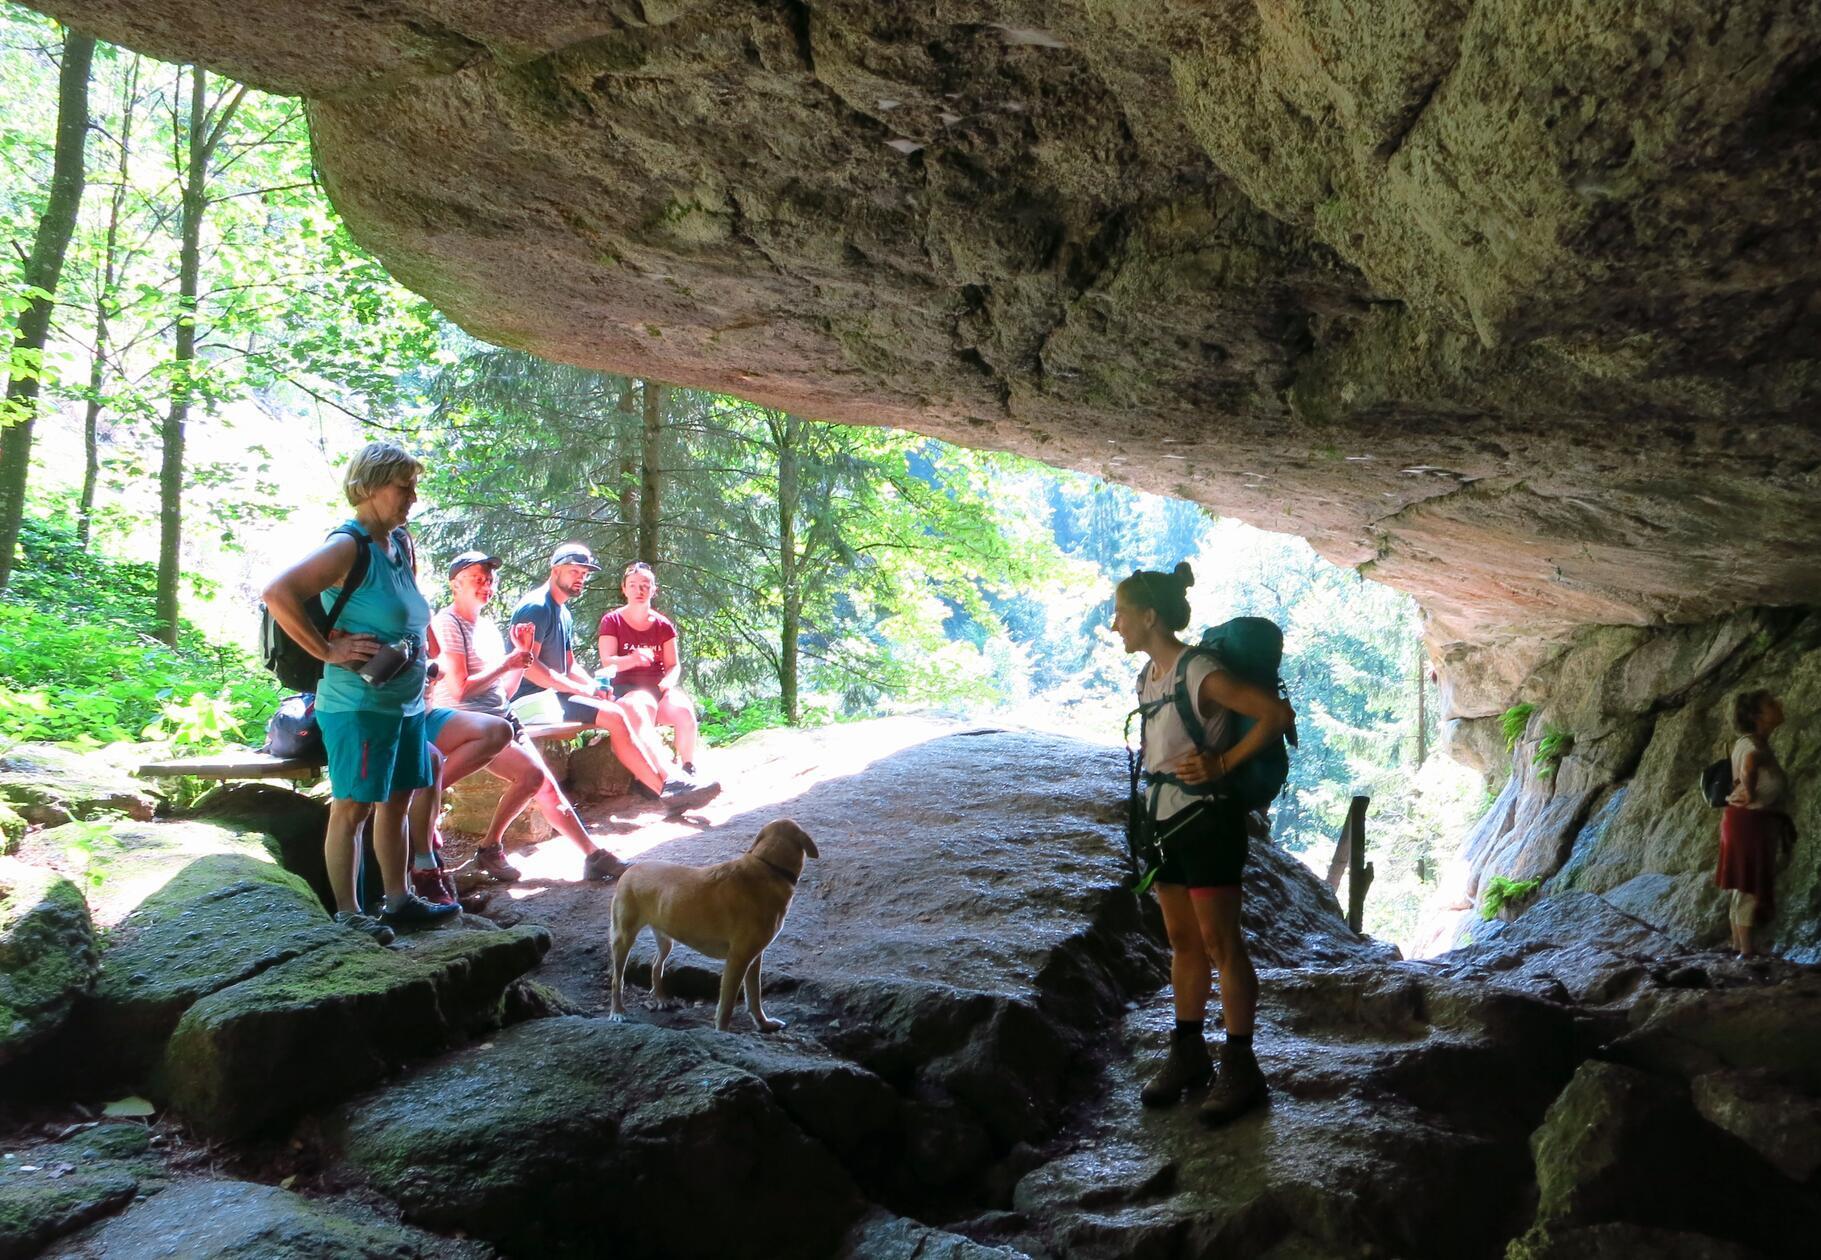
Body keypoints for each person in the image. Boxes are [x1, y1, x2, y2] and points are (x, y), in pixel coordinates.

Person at [1114, 562, 1292, 1125]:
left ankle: (1241, 1066)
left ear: (1149, 616)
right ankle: (1189, 1053)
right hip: (1165, 825)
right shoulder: (1149, 677)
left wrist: (1222, 762)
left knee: (1221, 944)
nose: (1115, 625)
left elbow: (1274, 715)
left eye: (1120, 614)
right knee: (1183, 943)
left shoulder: (1199, 671)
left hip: (1208, 823)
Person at [262, 441, 460, 941]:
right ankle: (349, 915)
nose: (412, 496)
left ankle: (398, 901)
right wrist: (326, 651)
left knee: (396, 799)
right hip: (358, 704)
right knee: (352, 807)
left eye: (414, 486)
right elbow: (278, 593)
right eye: (404, 486)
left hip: (404, 702)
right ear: (369, 486)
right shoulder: (347, 545)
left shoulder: (398, 545)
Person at [419, 550, 632, 883]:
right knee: (533, 777)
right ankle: (429, 814)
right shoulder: (447, 623)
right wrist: (508, 662)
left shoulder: (487, 626)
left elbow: (504, 688)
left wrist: (521, 658)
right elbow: (460, 689)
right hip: (467, 722)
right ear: (455, 583)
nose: (486, 585)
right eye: (477, 578)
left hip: (502, 716)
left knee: (540, 785)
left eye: (489, 579)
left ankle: (586, 856)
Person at [509, 543, 719, 810]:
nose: (580, 578)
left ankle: (672, 787)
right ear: (555, 569)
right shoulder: (537, 608)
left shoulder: (562, 611)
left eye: (584, 574)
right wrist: (580, 690)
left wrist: (593, 687)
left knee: (617, 713)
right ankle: (670, 785)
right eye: (574, 571)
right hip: (533, 699)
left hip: (553, 694)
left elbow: (569, 664)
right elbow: (529, 667)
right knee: (617, 715)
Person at [599, 560, 702, 774]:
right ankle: (653, 774)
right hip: (627, 690)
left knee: (683, 711)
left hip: (659, 689)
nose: (640, 590)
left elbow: (673, 665)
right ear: (624, 588)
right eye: (634, 585)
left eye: (645, 585)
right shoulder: (612, 621)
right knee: (643, 706)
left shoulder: (663, 625)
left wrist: (668, 682)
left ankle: (688, 767)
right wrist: (633, 659)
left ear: (654, 590)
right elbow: (607, 661)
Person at [1717, 689, 1796, 957]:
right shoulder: (1753, 746)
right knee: (1749, 885)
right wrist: (1750, 792)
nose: (1779, 704)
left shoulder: (1750, 741)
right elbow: (1750, 765)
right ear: (1757, 716)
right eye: (1771, 704)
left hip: (1746, 822)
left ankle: (1739, 946)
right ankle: (1746, 952)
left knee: (1744, 885)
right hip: (1749, 822)